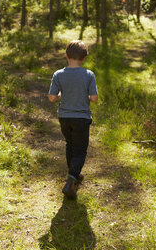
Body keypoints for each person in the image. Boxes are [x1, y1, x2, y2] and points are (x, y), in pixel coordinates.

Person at [48, 40, 98, 199]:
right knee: (81, 148)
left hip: (64, 117)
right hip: (81, 118)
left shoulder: (58, 74)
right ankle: (72, 178)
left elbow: (51, 98)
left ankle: (73, 173)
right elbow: (94, 98)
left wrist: (62, 95)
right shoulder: (89, 75)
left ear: (66, 55)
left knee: (70, 144)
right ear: (84, 58)